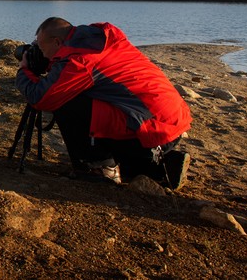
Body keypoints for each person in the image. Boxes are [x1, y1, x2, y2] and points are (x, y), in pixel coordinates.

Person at [15, 17, 192, 189]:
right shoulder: (99, 41)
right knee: (132, 167)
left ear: (57, 42)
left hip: (152, 130)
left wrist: (25, 70)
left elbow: (41, 98)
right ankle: (157, 164)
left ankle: (98, 168)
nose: (39, 51)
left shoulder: (80, 60)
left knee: (66, 102)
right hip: (170, 122)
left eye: (40, 46)